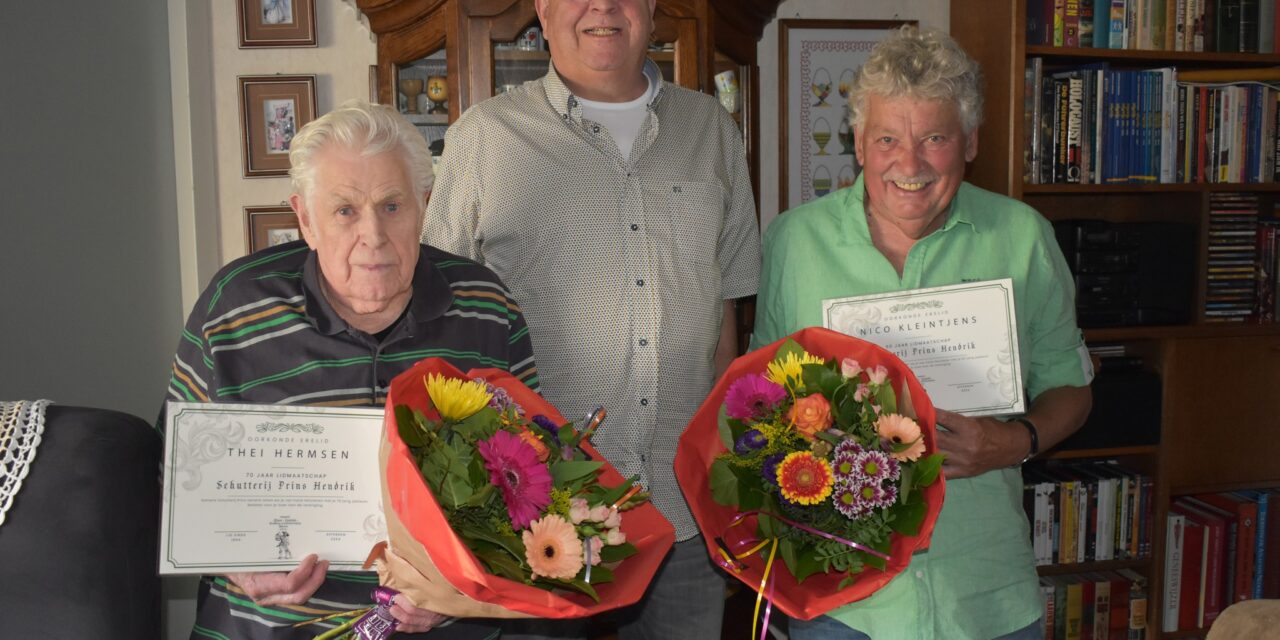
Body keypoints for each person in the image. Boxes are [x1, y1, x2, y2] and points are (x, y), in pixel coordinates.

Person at [423, 0, 760, 637]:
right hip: (536, 520)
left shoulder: (711, 128)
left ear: (653, 11)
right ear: (543, 12)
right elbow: (440, 315)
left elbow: (726, 307)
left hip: (684, 513)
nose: (602, 7)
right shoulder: (488, 136)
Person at [752, 26, 1093, 640]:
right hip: (843, 598)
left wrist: (1014, 442)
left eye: (933, 138)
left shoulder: (1023, 236)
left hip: (984, 594)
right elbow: (757, 403)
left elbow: (1071, 388)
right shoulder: (792, 243)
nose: (908, 165)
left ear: (969, 142)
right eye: (887, 138)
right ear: (859, 143)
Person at [164, 100, 534, 639]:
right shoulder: (234, 308)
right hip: (273, 626)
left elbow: (533, 482)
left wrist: (460, 591)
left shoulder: (485, 307)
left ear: (423, 205)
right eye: (344, 211)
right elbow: (171, 476)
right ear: (305, 219)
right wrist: (232, 562)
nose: (373, 236)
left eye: (391, 206)